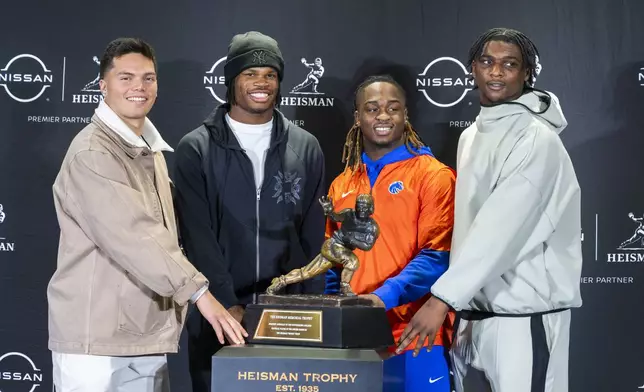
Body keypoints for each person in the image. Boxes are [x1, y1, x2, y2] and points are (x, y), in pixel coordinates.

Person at [47, 37, 247, 392]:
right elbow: (136, 237)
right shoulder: (93, 153)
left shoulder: (148, 150)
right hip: (98, 349)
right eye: (125, 78)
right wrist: (203, 294)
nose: (138, 87)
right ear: (103, 86)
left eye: (148, 78)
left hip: (144, 338)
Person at [397, 28, 583, 392]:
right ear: (473, 69)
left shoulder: (536, 138)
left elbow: (502, 229)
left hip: (522, 318)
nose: (496, 72)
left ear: (527, 73)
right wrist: (454, 300)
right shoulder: (471, 135)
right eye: (487, 62)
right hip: (472, 313)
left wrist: (442, 299)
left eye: (509, 65)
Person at [173, 31, 326, 392]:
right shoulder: (196, 148)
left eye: (270, 74)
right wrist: (226, 304)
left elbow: (313, 235)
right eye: (250, 73)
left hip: (289, 317)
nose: (262, 83)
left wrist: (310, 307)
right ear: (231, 80)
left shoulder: (306, 147)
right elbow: (198, 237)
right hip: (217, 315)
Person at [323, 75, 456, 391]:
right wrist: (334, 316)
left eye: (392, 108)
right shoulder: (342, 185)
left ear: (405, 115)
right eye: (372, 109)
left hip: (414, 334)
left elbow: (437, 256)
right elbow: (333, 260)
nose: (382, 116)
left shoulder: (433, 176)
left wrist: (382, 299)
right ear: (358, 118)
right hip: (355, 337)